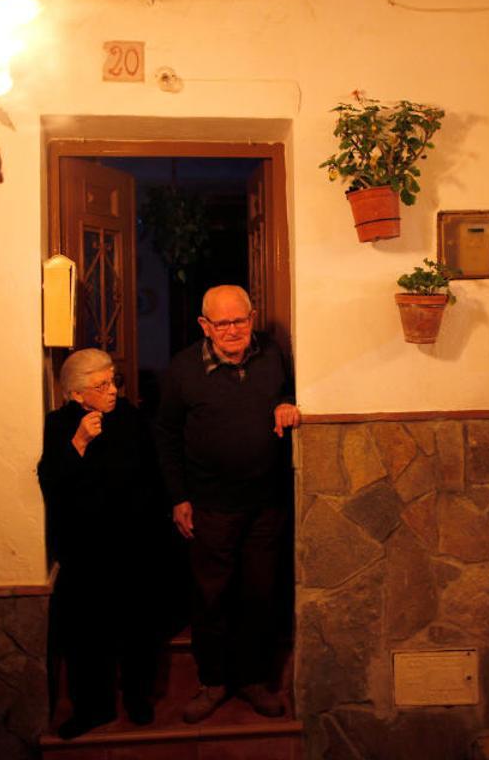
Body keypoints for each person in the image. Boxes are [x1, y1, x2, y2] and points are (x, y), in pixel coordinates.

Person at [155, 284, 300, 724]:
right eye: (222, 323)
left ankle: (254, 679)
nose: (233, 330)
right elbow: (165, 436)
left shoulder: (273, 356)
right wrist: (178, 497)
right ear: (205, 325)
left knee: (260, 593)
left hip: (266, 503)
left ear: (252, 318)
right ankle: (214, 682)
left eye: (240, 320)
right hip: (210, 505)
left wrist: (287, 403)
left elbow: (290, 393)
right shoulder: (183, 370)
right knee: (211, 596)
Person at [37, 348, 165, 739]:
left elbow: (152, 474)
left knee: (138, 625)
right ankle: (93, 708)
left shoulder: (131, 418)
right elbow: (51, 483)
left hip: (132, 541)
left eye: (114, 381)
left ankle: (139, 698)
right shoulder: (58, 425)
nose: (113, 390)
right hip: (85, 548)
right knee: (87, 634)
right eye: (102, 385)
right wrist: (78, 442)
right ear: (77, 394)